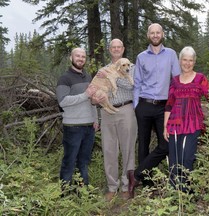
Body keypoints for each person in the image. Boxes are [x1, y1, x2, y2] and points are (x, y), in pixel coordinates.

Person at [127, 23, 181, 198]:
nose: (155, 35)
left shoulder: (171, 54)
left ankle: (136, 174)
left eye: (158, 32)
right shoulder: (141, 57)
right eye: (152, 33)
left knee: (165, 144)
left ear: (162, 34)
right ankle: (147, 185)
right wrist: (136, 106)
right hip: (144, 104)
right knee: (143, 144)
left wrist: (176, 105)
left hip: (164, 107)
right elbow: (138, 83)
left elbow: (177, 80)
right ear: (148, 35)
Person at [163, 46, 209, 192]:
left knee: (187, 158)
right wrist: (165, 126)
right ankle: (173, 194)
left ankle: (186, 193)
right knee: (174, 160)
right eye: (184, 60)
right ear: (180, 61)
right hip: (174, 124)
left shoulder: (200, 78)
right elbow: (169, 104)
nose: (187, 63)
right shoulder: (174, 81)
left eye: (190, 60)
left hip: (192, 123)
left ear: (194, 62)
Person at [92, 39, 137, 201]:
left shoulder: (130, 67)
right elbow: (95, 91)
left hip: (126, 109)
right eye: (113, 47)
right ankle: (112, 187)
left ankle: (126, 186)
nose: (116, 49)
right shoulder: (102, 70)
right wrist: (95, 98)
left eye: (119, 47)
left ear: (123, 49)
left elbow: (131, 86)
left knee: (128, 148)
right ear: (109, 50)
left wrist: (114, 76)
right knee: (109, 149)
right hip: (107, 110)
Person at [56, 47, 98, 189]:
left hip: (89, 127)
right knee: (69, 161)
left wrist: (95, 119)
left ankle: (83, 192)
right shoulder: (64, 78)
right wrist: (85, 95)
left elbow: (92, 100)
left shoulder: (88, 77)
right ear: (71, 58)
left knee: (84, 161)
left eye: (83, 57)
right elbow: (62, 101)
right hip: (73, 127)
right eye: (77, 56)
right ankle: (64, 193)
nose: (80, 59)